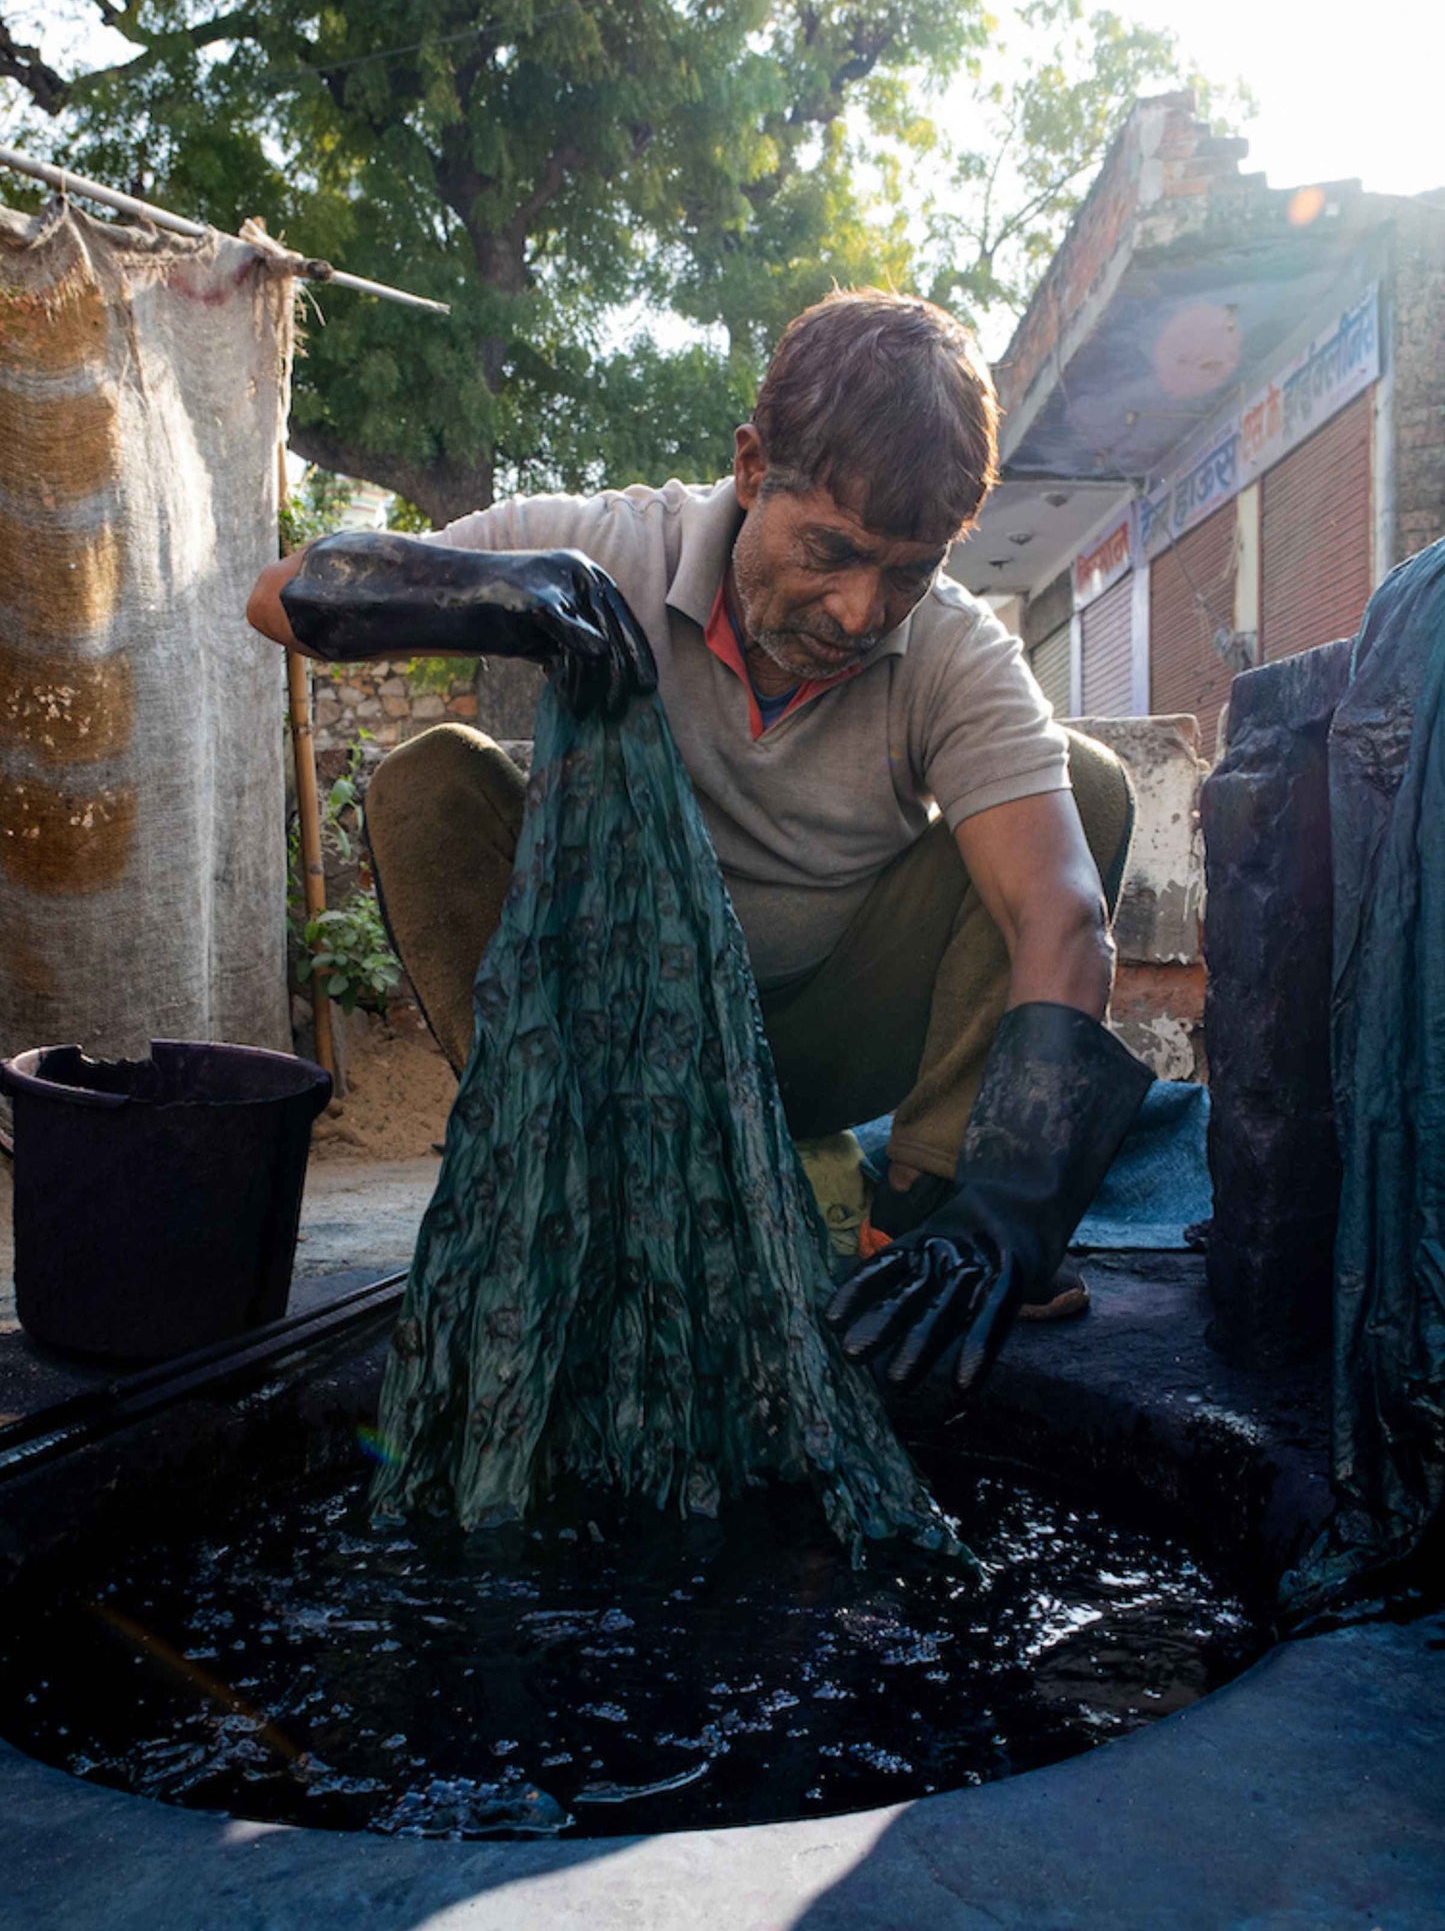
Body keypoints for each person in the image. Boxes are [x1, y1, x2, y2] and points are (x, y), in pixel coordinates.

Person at [247, 288, 1151, 1406]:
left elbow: (1060, 918)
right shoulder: (612, 544)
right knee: (427, 779)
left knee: (1083, 785)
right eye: (832, 550)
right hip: (625, 1042)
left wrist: (1012, 1209)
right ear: (748, 465)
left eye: (906, 572)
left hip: (826, 1040)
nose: (861, 610)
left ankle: (920, 1217)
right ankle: (571, 1176)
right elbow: (282, 597)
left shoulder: (951, 653)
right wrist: (510, 594)